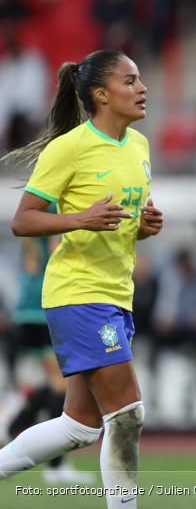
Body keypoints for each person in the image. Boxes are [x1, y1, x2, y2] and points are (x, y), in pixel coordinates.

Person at [0, 49, 163, 509]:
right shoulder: (69, 148)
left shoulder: (139, 146)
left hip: (116, 294)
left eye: (140, 79)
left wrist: (146, 226)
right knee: (128, 415)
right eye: (130, 81)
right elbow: (23, 221)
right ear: (100, 94)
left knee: (81, 426)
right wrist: (79, 219)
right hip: (78, 293)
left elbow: (125, 225)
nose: (142, 88)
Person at [4, 207, 93, 484]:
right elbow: (57, 251)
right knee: (62, 384)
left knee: (56, 383)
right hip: (42, 306)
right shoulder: (58, 209)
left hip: (27, 306)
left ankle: (14, 425)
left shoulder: (37, 208)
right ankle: (55, 466)